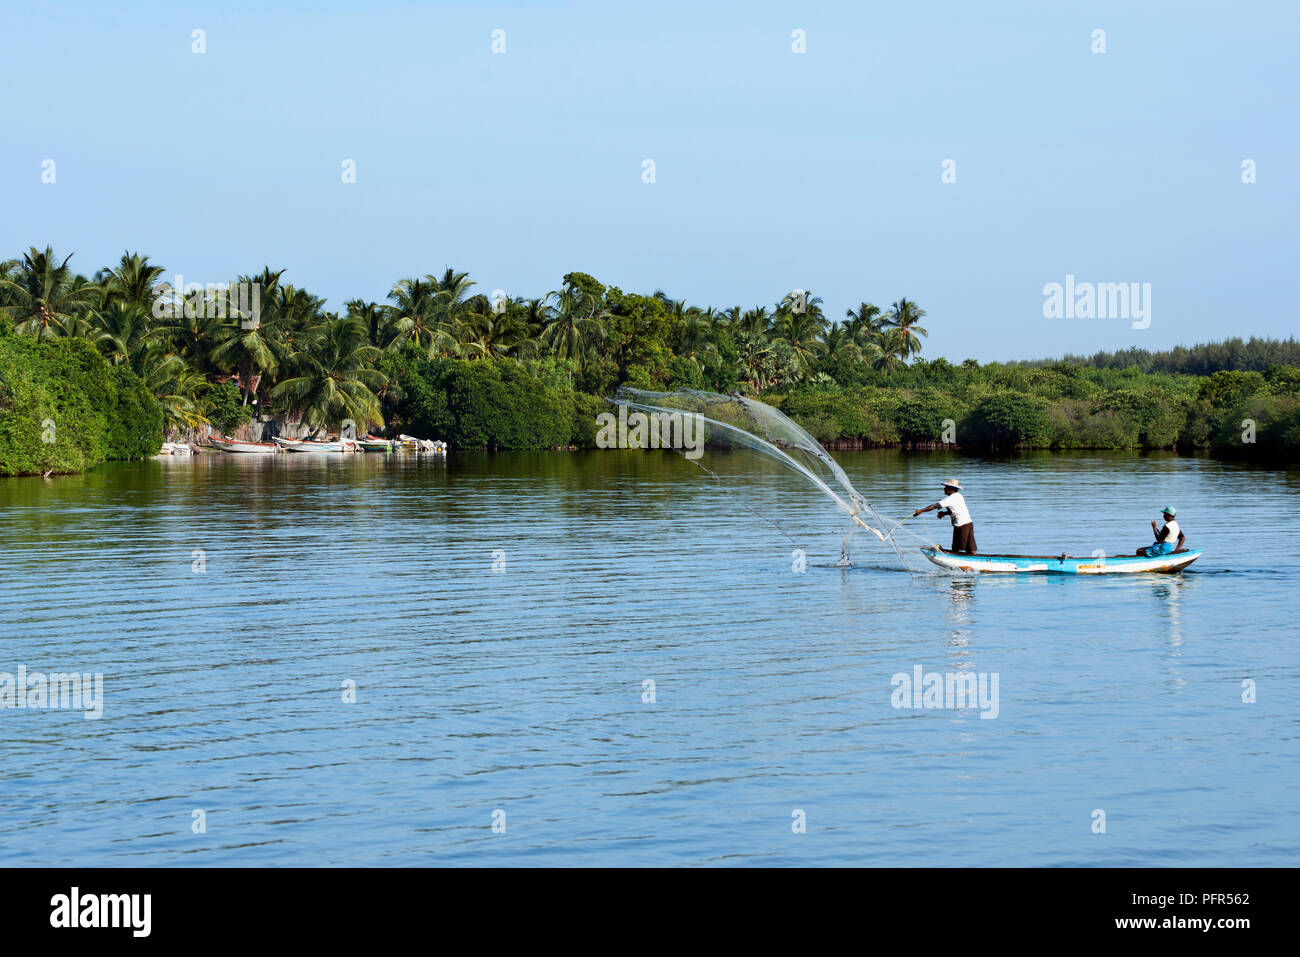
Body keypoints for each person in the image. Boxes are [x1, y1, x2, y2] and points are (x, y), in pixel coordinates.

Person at [913, 478, 977, 554]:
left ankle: (959, 560)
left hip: (961, 525)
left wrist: (920, 511)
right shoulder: (959, 496)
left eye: (946, 487)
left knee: (956, 548)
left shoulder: (950, 499)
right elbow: (954, 511)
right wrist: (944, 513)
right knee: (971, 548)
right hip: (968, 523)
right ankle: (977, 560)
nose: (944, 489)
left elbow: (934, 506)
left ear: (950, 488)